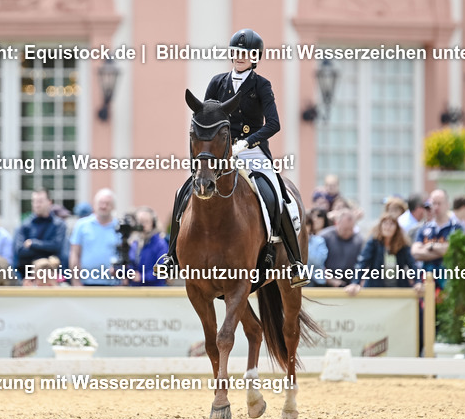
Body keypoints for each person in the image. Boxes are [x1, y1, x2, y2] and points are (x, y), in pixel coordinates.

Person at [160, 29, 309, 286]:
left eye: (246, 53)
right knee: (183, 192)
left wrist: (248, 141)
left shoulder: (262, 85)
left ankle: (294, 262)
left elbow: (273, 124)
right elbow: (206, 117)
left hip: (252, 150)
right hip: (220, 151)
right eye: (236, 52)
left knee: (276, 194)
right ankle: (172, 256)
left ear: (255, 57)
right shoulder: (218, 82)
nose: (240, 57)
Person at [345, 213, 424, 295]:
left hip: (398, 289)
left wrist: (418, 281)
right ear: (380, 226)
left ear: (396, 228)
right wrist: (355, 282)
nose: (388, 227)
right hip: (376, 289)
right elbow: (362, 263)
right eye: (385, 223)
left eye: (391, 224)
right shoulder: (373, 242)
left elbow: (412, 264)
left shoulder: (402, 244)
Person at [69, 188, 122, 287]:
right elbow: (75, 254)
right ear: (94, 204)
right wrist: (75, 281)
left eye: (107, 203)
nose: (103, 206)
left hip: (113, 284)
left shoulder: (120, 227)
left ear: (113, 207)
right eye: (101, 203)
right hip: (86, 283)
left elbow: (125, 255)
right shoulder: (81, 225)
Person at [411, 189, 463, 288]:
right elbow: (416, 253)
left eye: (439, 203)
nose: (436, 207)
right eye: (433, 203)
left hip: (449, 284)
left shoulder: (456, 228)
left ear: (447, 205)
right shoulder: (424, 229)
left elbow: (453, 251)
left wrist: (430, 246)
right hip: (427, 283)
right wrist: (441, 250)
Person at [13, 189, 67, 278]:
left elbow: (56, 247)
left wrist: (33, 243)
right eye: (34, 201)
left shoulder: (59, 225)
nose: (37, 205)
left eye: (40, 201)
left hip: (52, 277)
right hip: (29, 276)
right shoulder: (24, 226)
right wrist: (46, 251)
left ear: (49, 202)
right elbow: (20, 251)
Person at [321, 208, 363, 287]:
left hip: (350, 284)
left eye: (351, 229)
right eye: (345, 229)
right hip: (326, 285)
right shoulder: (324, 237)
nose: (348, 232)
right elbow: (317, 264)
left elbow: (363, 264)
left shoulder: (359, 240)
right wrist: (331, 280)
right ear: (337, 223)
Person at [127, 206, 167, 287]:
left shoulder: (160, 243)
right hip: (136, 289)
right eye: (140, 222)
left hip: (154, 290)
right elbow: (131, 265)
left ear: (153, 223)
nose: (143, 225)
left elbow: (162, 269)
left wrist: (142, 277)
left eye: (146, 222)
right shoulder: (134, 243)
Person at [305, 207, 330, 286]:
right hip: (299, 281)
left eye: (307, 224)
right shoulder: (292, 242)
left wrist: (305, 244)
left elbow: (317, 262)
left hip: (317, 282)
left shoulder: (319, 241)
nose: (304, 227)